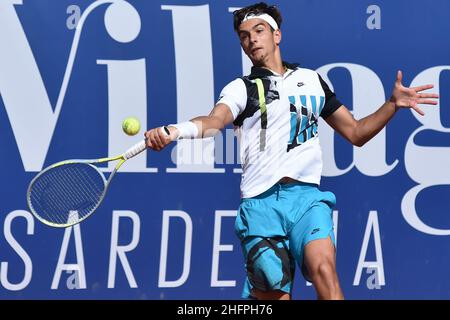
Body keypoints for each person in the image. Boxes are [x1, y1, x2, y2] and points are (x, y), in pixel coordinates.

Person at [144, 2, 439, 300]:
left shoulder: (312, 80)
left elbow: (356, 133)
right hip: (260, 205)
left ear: (277, 35)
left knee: (324, 270)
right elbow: (213, 122)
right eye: (244, 36)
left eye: (259, 31)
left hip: (307, 200)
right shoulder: (240, 88)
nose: (252, 40)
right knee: (274, 297)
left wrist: (391, 105)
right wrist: (174, 131)